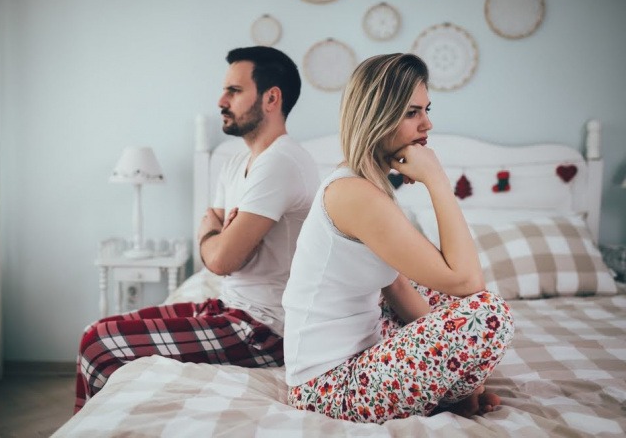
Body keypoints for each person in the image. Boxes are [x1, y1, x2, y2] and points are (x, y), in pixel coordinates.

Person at [74, 46, 319, 413]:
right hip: (227, 309)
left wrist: (213, 236)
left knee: (98, 342)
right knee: (97, 330)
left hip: (263, 331)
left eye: (234, 91)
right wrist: (217, 237)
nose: (221, 100)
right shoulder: (236, 162)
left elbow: (220, 259)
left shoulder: (281, 163)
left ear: (271, 98)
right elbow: (217, 250)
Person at [282, 53, 515, 424]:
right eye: (412, 113)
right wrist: (437, 180)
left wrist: (463, 374)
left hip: (359, 357)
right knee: (488, 315)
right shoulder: (354, 194)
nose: (428, 123)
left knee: (437, 297)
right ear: (378, 116)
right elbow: (468, 281)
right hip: (327, 389)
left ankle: (455, 396)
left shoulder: (365, 186)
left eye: (426, 109)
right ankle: (452, 397)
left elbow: (400, 289)